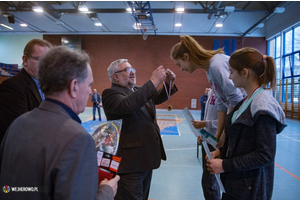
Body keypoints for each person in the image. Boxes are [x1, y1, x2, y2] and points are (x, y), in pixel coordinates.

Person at [0, 46, 119, 200]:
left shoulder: (18, 124)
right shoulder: (77, 139)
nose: (90, 92)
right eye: (89, 85)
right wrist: (106, 192)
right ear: (74, 86)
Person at [206, 47, 286, 200]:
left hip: (250, 189)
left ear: (244, 72)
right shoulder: (246, 101)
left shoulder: (263, 106)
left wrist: (225, 165)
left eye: (231, 72)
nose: (229, 77)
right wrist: (221, 154)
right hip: (236, 184)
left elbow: (265, 155)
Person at [102, 59, 178, 200]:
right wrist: (153, 81)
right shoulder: (110, 94)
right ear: (115, 77)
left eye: (132, 69)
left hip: (145, 160)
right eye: (126, 70)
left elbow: (157, 97)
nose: (132, 72)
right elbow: (128, 105)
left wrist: (168, 84)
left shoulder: (136, 90)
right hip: (130, 165)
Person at [170, 35, 244, 147]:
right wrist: (217, 136)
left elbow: (236, 99)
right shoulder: (209, 70)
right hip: (236, 117)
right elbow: (221, 103)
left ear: (186, 57)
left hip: (243, 117)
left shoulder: (216, 65)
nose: (181, 69)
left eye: (179, 64)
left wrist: (225, 132)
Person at [0, 39, 52, 143]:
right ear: (25, 60)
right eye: (40, 60)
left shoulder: (48, 86)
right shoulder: (12, 87)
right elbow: (21, 130)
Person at [192, 89, 220, 200]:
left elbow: (226, 121)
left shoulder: (224, 92)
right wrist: (203, 133)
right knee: (208, 183)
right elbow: (208, 116)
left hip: (216, 143)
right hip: (207, 142)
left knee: (209, 183)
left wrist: (205, 123)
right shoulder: (212, 92)